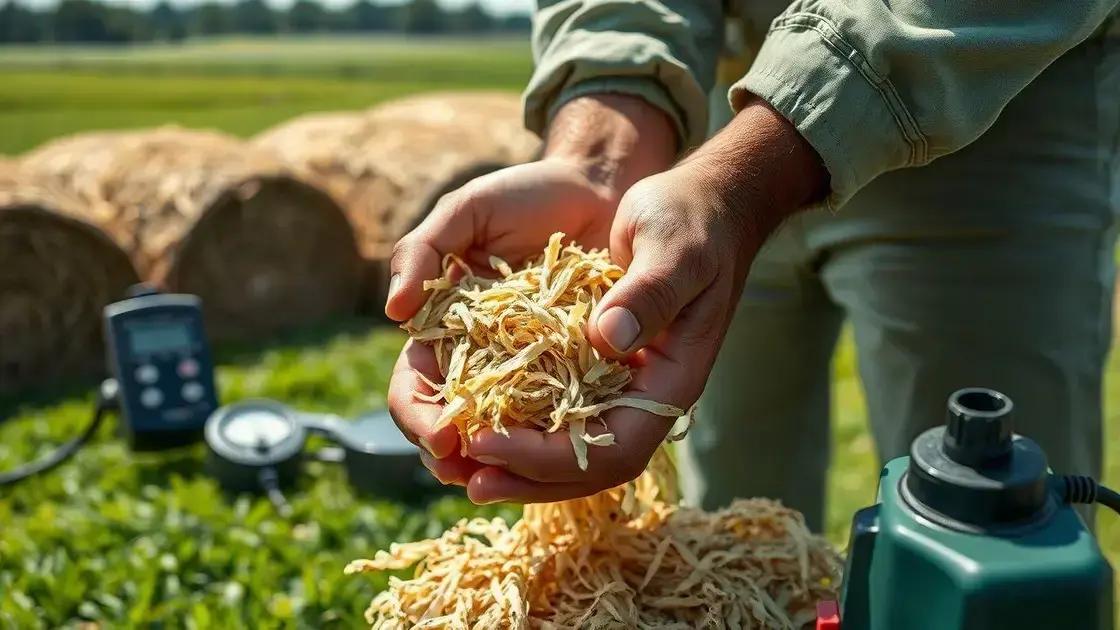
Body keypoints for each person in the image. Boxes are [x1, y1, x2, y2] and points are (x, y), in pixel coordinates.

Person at [386, 1, 1120, 531]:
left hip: (989, 90)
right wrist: (605, 144)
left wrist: (758, 164)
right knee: (732, 524)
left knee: (985, 525)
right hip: (718, 129)